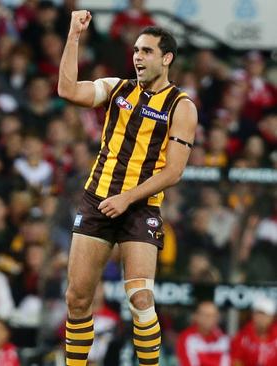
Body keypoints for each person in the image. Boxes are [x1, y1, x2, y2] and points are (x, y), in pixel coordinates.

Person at [57, 11, 198, 366]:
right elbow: (67, 90)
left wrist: (128, 198)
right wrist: (74, 35)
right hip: (98, 200)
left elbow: (175, 171)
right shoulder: (116, 89)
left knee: (139, 297)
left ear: (166, 58)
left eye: (147, 51)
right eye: (136, 50)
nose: (137, 56)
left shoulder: (181, 107)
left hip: (140, 207)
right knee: (77, 299)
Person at [176, 301, 230, 365]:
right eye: (206, 315)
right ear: (196, 316)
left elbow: (226, 363)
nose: (210, 319)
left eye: (214, 315)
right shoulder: (186, 338)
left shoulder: (224, 339)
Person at [231, 296, 277, 366]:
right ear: (253, 315)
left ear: (272, 317)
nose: (261, 318)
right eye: (258, 314)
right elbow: (236, 361)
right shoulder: (242, 336)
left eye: (265, 315)